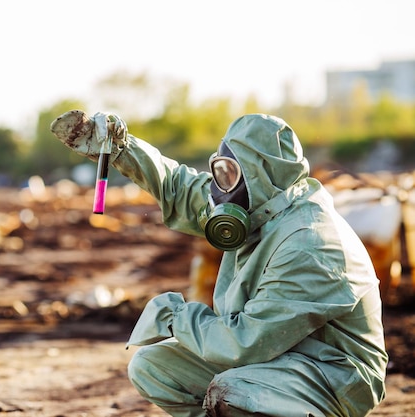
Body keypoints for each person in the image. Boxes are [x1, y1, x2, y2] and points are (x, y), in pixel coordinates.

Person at [50, 110, 387, 417]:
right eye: (219, 172)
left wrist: (174, 315)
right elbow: (180, 187)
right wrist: (122, 149)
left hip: (332, 372)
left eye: (230, 174)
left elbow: (244, 343)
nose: (220, 190)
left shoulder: (311, 244)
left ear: (261, 175)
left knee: (233, 392)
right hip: (277, 354)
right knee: (155, 366)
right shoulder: (262, 205)